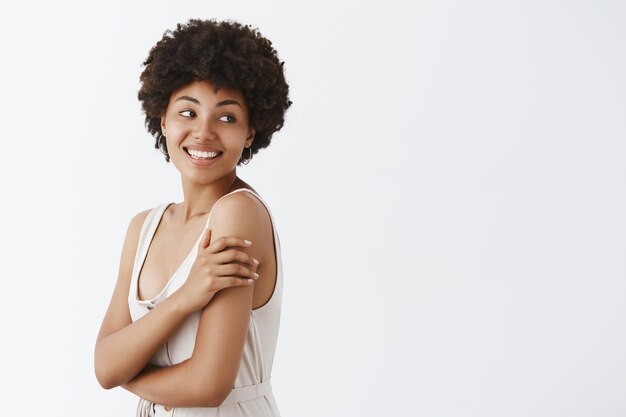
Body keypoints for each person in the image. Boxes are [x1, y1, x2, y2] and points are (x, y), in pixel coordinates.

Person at [94, 18, 291, 417]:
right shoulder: (143, 228)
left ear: (251, 132)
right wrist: (186, 297)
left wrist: (128, 376)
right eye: (187, 112)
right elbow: (104, 364)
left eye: (227, 117)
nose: (203, 133)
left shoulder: (238, 214)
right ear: (162, 119)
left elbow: (208, 384)